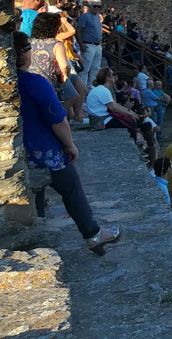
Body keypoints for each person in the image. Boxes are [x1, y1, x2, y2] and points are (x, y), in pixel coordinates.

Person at [14, 31, 121, 255]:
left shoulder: (12, 84)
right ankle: (93, 234)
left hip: (19, 153)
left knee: (35, 192)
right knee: (71, 187)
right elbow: (57, 119)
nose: (30, 51)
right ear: (22, 53)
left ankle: (38, 232)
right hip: (44, 149)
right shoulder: (35, 83)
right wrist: (70, 145)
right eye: (27, 48)